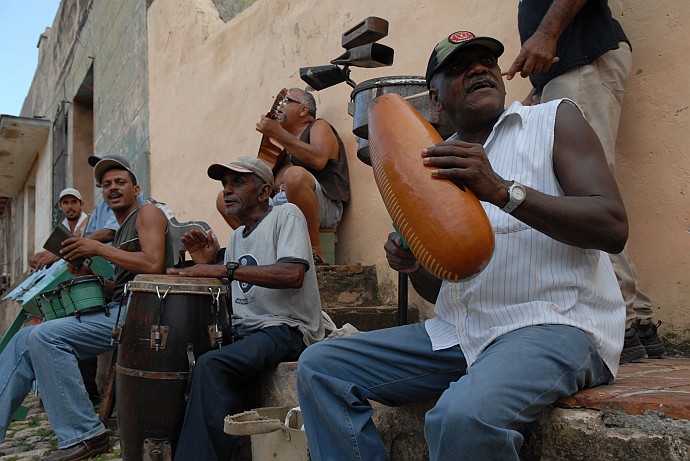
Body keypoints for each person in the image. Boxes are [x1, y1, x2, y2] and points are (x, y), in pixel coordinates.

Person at [296, 31, 628, 460]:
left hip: (553, 324)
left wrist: (502, 191)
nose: (478, 69)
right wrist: (415, 265)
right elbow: (445, 290)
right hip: (462, 332)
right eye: (459, 67)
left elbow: (612, 226)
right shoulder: (430, 163)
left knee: (461, 417)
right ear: (435, 98)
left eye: (486, 62)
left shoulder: (552, 121)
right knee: (321, 367)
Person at [504, 0, 665, 363]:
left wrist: (547, 34)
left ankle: (622, 317)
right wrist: (540, 89)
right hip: (570, 67)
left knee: (584, 199)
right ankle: (635, 318)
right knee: (580, 192)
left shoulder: (562, 39)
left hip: (581, 61)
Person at [0, 157, 174, 461]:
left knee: (45, 337)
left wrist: (96, 247)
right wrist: (88, 275)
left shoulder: (148, 212)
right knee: (25, 337)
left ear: (136, 189)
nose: (112, 188)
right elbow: (117, 289)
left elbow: (152, 265)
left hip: (147, 314)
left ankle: (84, 435)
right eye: (106, 185)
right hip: (123, 308)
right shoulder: (121, 232)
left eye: (120, 182)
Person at [168, 156, 324, 461]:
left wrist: (223, 270)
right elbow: (241, 291)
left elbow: (292, 274)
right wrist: (209, 264)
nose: (227, 190)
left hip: (287, 329)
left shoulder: (286, 215)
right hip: (249, 333)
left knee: (212, 366)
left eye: (237, 182)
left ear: (264, 192)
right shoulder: (238, 237)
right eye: (225, 184)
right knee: (180, 359)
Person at [256, 88, 350, 265]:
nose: (278, 108)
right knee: (229, 196)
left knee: (295, 175)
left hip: (324, 208)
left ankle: (315, 250)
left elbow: (319, 159)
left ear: (303, 110)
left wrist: (278, 133)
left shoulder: (318, 126)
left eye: (285, 101)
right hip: (281, 207)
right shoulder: (281, 144)